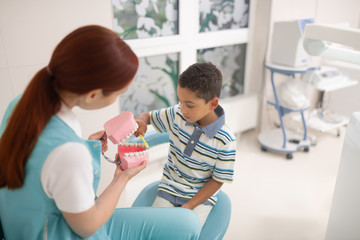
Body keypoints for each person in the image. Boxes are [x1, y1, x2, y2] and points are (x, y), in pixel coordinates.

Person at [0, 25, 201, 240]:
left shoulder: (21, 104)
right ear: (93, 95)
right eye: (119, 93)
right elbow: (86, 227)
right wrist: (121, 179)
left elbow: (47, 169)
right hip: (61, 232)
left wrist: (82, 148)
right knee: (189, 224)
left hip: (26, 225)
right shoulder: (68, 152)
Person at [135, 62, 237, 227]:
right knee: (154, 229)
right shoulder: (177, 114)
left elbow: (218, 180)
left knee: (188, 230)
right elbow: (147, 117)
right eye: (180, 101)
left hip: (199, 197)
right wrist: (141, 121)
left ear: (212, 103)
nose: (182, 109)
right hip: (170, 186)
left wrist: (189, 206)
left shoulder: (226, 140)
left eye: (189, 105)